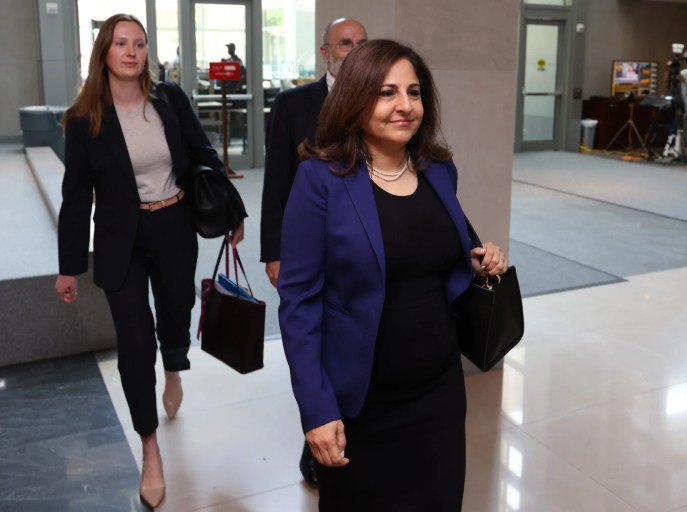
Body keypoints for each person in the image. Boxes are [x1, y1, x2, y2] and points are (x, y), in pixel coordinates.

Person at [277, 39, 508, 511]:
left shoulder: (439, 170)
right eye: (387, 93)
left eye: (414, 92)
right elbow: (298, 304)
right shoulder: (320, 180)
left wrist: (478, 258)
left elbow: (435, 250)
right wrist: (317, 410)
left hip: (438, 394)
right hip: (360, 403)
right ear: (355, 99)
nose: (405, 106)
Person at [55, 13, 245, 509]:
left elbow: (203, 154)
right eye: (121, 44)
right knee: (135, 341)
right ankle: (149, 446)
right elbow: (76, 197)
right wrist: (68, 265)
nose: (132, 52)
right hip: (123, 239)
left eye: (139, 44)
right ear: (104, 52)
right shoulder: (85, 121)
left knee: (175, 312)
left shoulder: (170, 99)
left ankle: (175, 367)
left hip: (174, 227)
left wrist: (232, 212)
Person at [259, 17, 367, 487]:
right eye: (346, 43)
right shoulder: (292, 104)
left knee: (350, 343)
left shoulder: (381, 102)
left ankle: (350, 434)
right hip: (307, 248)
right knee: (313, 344)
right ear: (326, 53)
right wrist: (273, 250)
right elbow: (277, 182)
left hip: (360, 249)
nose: (355, 50)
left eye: (363, 44)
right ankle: (316, 438)